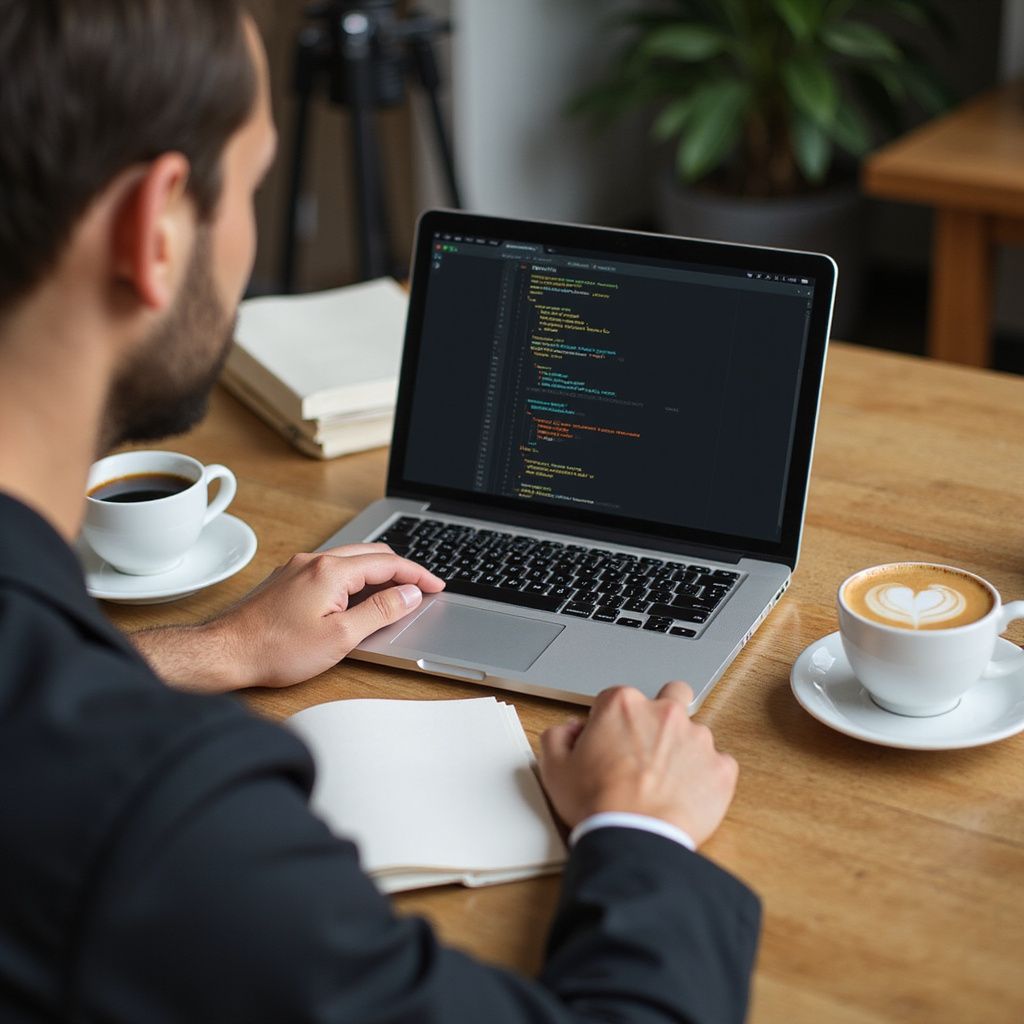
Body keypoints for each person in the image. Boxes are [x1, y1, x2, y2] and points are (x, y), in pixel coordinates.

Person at [0, 2, 761, 1022]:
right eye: (257, 182)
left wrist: (207, 651)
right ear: (157, 228)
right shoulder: (149, 821)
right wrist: (641, 830)